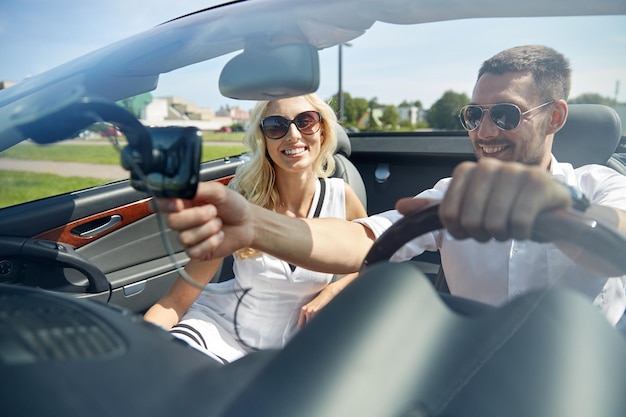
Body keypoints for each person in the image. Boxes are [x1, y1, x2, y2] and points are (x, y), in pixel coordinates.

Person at [154, 45, 626, 332]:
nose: (483, 132)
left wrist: (559, 212)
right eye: (474, 115)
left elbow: (617, 236)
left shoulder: (601, 186)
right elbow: (361, 238)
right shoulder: (448, 194)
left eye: (504, 115)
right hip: (470, 370)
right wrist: (256, 224)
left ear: (555, 117)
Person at [143, 93, 367, 363]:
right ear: (264, 140)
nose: (293, 135)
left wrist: (333, 290)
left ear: (322, 131)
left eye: (306, 121)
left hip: (295, 354)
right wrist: (137, 349)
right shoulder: (242, 203)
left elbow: (374, 258)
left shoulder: (341, 196)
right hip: (218, 335)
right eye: (276, 125)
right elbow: (175, 302)